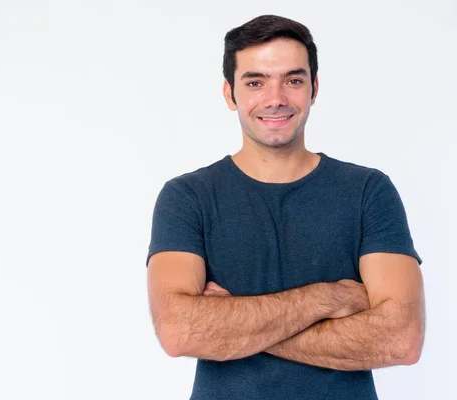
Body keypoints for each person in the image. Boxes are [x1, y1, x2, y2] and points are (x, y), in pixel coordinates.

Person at [145, 14, 425, 400]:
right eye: (255, 82)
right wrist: (330, 297)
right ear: (230, 94)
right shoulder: (187, 196)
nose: (275, 98)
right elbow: (179, 332)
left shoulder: (367, 191)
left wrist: (233, 327)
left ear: (314, 89)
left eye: (293, 80)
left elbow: (401, 339)